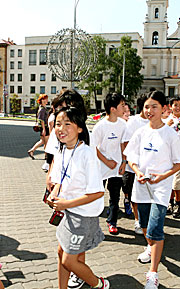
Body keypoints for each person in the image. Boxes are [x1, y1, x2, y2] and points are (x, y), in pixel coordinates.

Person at [123, 90, 180, 289]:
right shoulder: (140, 132)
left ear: (164, 109)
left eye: (154, 107)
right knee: (143, 225)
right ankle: (150, 248)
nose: (149, 111)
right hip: (141, 186)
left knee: (155, 228)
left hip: (160, 189)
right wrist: (137, 171)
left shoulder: (169, 134)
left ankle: (153, 273)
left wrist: (163, 177)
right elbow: (130, 157)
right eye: (146, 107)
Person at [47, 107, 109, 289]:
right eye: (58, 124)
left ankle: (99, 284)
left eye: (68, 124)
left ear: (80, 128)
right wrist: (54, 193)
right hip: (69, 213)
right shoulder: (63, 150)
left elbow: (97, 192)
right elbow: (59, 179)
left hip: (83, 216)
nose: (61, 128)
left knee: (69, 260)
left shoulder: (87, 154)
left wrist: (66, 203)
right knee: (62, 253)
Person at [92, 93, 126, 235]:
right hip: (101, 168)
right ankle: (92, 224)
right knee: (97, 196)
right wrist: (107, 161)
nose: (124, 108)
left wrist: (124, 162)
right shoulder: (100, 126)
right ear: (112, 108)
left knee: (115, 197)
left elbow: (124, 144)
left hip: (117, 168)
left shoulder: (123, 124)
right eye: (122, 105)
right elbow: (93, 147)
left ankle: (112, 222)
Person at [122, 94, 149, 234]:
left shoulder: (157, 123)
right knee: (135, 196)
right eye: (147, 106)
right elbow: (126, 143)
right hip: (133, 167)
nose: (150, 110)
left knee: (146, 197)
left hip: (149, 168)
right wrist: (126, 161)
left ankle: (145, 221)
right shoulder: (133, 122)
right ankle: (138, 221)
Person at [28, 94, 49, 159]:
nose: (46, 100)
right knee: (46, 142)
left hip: (44, 127)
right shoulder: (42, 109)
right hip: (44, 127)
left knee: (43, 141)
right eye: (45, 99)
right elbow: (41, 119)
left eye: (46, 99)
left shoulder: (43, 108)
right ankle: (46, 155)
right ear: (42, 100)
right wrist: (44, 129)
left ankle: (32, 151)